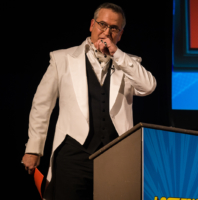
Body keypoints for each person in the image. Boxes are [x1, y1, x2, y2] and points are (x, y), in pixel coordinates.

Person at [21, 2, 156, 200]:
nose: (107, 32)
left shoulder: (128, 64)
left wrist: (117, 54)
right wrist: (33, 149)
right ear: (92, 24)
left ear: (120, 34)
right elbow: (42, 106)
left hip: (115, 154)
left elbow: (149, 87)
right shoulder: (62, 58)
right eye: (102, 24)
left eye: (114, 28)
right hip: (72, 153)